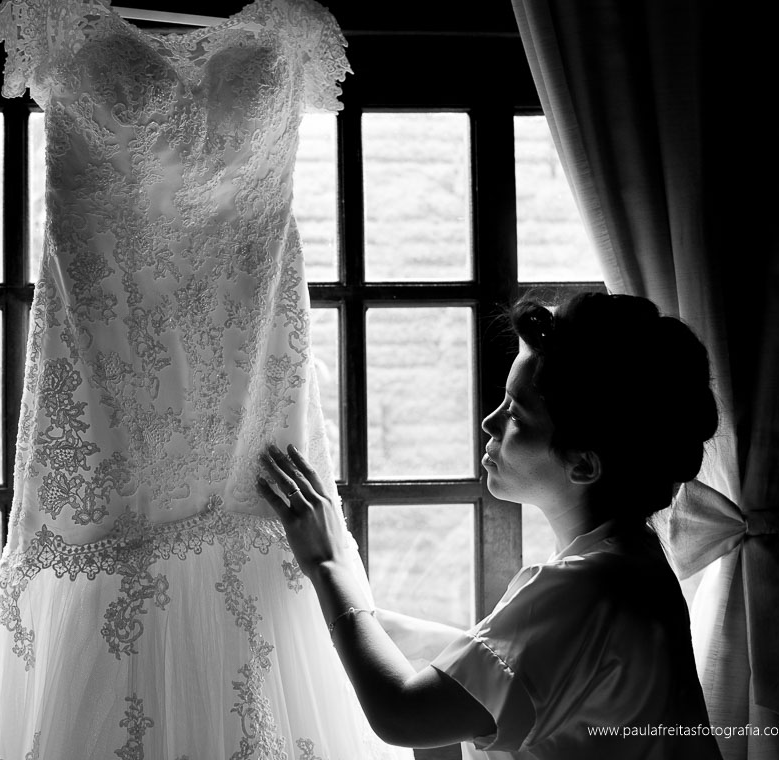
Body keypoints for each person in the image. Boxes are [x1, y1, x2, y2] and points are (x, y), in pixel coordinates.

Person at [259, 292, 724, 759]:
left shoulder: (585, 588)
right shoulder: (631, 560)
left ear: (583, 464)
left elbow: (403, 714)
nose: (488, 422)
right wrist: (373, 621)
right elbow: (513, 666)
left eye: (516, 414)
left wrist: (327, 564)